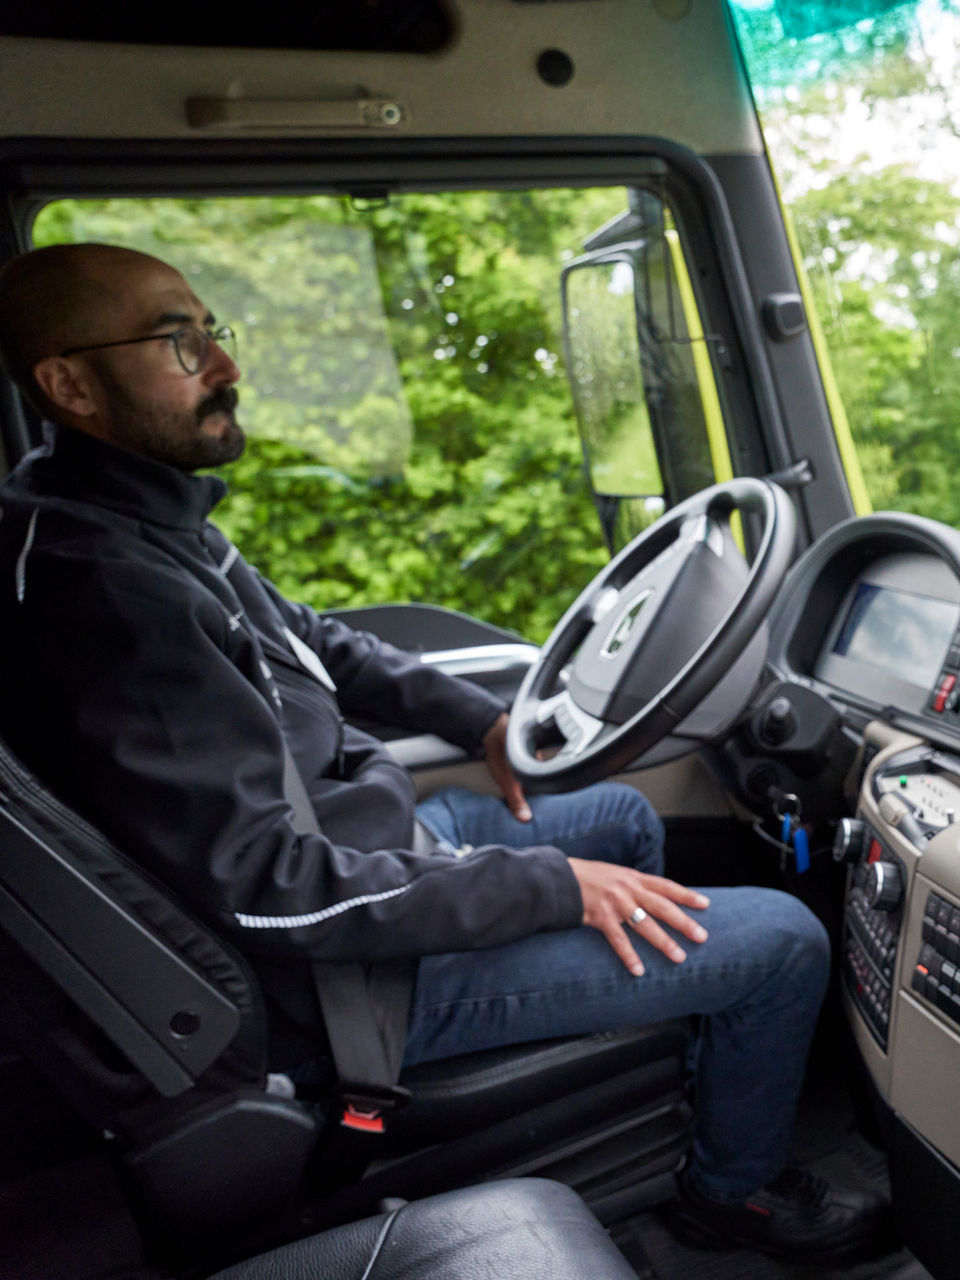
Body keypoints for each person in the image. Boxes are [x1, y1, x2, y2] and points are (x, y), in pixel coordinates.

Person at [0, 243, 886, 1261]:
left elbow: (319, 643)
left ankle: (654, 1063)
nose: (224, 365)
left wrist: (483, 722)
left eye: (212, 331)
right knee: (782, 937)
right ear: (68, 384)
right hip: (341, 984)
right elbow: (271, 892)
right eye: (175, 340)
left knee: (623, 816)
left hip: (359, 853)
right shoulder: (110, 597)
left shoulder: (136, 515)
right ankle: (735, 1190)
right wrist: (544, 889)